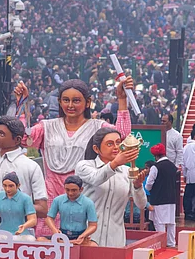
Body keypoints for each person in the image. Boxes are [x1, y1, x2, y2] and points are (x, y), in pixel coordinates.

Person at [14, 76, 133, 234]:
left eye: (76, 100)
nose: (70, 105)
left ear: (87, 102)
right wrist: (22, 104)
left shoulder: (97, 127)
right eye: (66, 100)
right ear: (60, 102)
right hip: (50, 196)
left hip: (83, 196)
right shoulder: (47, 126)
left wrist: (122, 99)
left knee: (80, 246)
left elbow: (123, 135)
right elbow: (22, 139)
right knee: (48, 250)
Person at [75, 128, 147, 248]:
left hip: (116, 240)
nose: (115, 147)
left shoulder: (126, 171)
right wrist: (114, 164)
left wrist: (138, 186)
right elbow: (96, 179)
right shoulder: (84, 166)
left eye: (118, 143)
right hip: (87, 237)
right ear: (96, 149)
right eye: (109, 144)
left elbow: (141, 205)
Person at [0, 172, 37, 240]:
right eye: (4, 186)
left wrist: (24, 226)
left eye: (11, 186)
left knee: (30, 240)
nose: (7, 189)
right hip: (2, 233)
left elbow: (33, 220)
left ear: (18, 186)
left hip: (20, 234)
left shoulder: (25, 198)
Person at [43, 175, 98, 245]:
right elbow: (49, 218)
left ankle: (70, 242)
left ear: (81, 189)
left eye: (74, 190)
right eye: (67, 190)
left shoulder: (88, 203)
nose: (70, 193)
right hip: (62, 234)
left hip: (80, 235)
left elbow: (93, 225)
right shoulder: (58, 200)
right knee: (40, 240)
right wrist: (55, 230)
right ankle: (63, 242)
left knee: (93, 245)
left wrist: (83, 235)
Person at [145, 143, 179, 247]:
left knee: (159, 222)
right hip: (171, 199)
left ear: (155, 156)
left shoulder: (156, 167)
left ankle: (162, 244)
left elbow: (149, 183)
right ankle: (171, 243)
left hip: (158, 199)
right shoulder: (173, 166)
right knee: (171, 222)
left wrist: (148, 189)